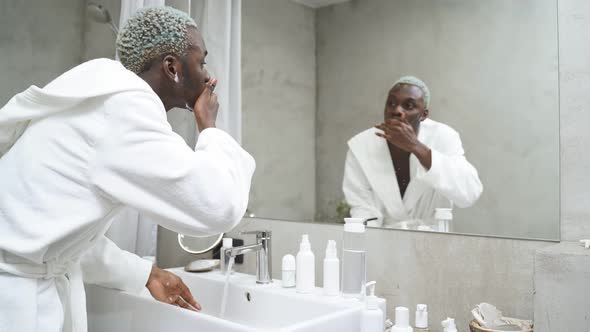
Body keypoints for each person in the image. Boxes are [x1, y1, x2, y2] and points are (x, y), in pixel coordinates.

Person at [0, 7, 255, 332]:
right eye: (201, 62)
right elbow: (217, 205)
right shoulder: (124, 110)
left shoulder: (102, 98)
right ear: (172, 67)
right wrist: (210, 128)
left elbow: (56, 239)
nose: (208, 76)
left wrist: (147, 274)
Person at [342, 76, 482, 228]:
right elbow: (362, 210)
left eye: (408, 106)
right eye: (392, 103)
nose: (397, 111)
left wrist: (415, 146)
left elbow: (469, 193)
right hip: (381, 242)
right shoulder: (361, 146)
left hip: (431, 242)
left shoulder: (443, 137)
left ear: (424, 114)